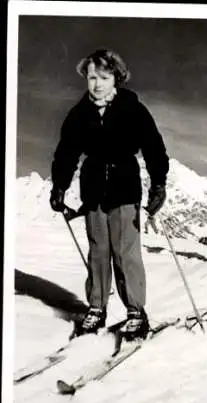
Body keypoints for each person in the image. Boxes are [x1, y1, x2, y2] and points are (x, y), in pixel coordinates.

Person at [49, 49, 169, 338]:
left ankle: (136, 311)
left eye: (104, 77)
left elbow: (153, 146)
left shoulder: (132, 108)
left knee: (125, 252)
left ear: (116, 77)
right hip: (93, 187)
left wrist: (159, 183)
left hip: (125, 184)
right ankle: (96, 308)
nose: (97, 84)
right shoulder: (80, 113)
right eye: (92, 77)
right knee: (98, 251)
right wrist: (60, 185)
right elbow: (66, 151)